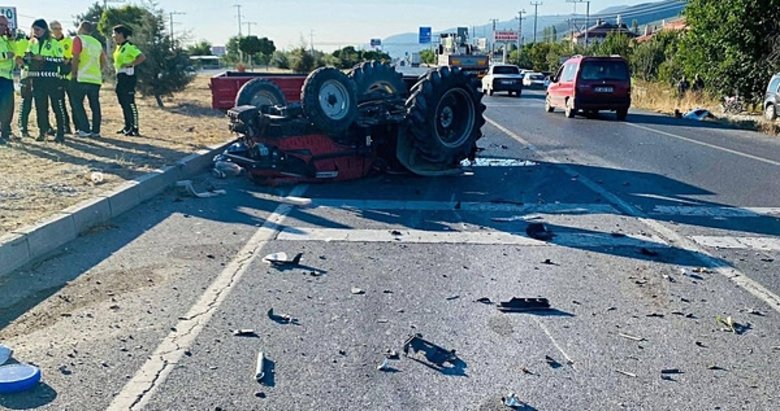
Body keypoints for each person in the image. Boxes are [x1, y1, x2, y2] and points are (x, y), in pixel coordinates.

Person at [26, 19, 67, 142]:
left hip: (52, 79)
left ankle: (60, 133)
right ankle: (42, 132)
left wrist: (44, 58)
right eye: (34, 29)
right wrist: (26, 58)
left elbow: (61, 60)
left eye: (38, 29)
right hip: (37, 79)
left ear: (45, 30)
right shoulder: (32, 42)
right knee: (40, 107)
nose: (35, 32)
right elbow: (28, 58)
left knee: (56, 106)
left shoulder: (53, 42)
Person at [70, 21, 106, 138]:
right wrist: (98, 70)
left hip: (82, 77)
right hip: (95, 78)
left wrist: (74, 73)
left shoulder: (78, 39)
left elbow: (76, 57)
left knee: (77, 103)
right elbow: (103, 60)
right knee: (95, 104)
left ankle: (84, 128)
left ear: (81, 28)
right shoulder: (97, 43)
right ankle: (96, 130)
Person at [112, 24, 145, 136]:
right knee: (123, 102)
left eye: (115, 34)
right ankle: (127, 126)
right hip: (120, 76)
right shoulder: (119, 47)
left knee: (130, 102)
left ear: (121, 34)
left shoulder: (129, 46)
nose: (113, 36)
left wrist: (131, 64)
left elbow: (141, 57)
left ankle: (135, 128)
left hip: (128, 77)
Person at [50, 20, 74, 135]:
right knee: (60, 102)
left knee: (73, 102)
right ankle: (65, 126)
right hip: (56, 77)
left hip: (68, 76)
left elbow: (68, 58)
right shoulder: (49, 43)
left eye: (59, 28)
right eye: (55, 29)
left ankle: (79, 126)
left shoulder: (68, 41)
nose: (58, 31)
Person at [0, 16, 15, 144]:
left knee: (8, 106)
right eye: (1, 24)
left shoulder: (5, 40)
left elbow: (14, 51)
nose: (4, 27)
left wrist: (10, 39)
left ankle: (5, 131)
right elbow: (8, 55)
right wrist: (5, 56)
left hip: (8, 77)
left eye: (5, 25)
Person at [15, 31, 33, 138]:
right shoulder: (23, 43)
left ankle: (46, 126)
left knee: (42, 104)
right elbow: (17, 58)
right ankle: (23, 127)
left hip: (39, 77)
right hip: (26, 77)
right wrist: (25, 65)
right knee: (26, 102)